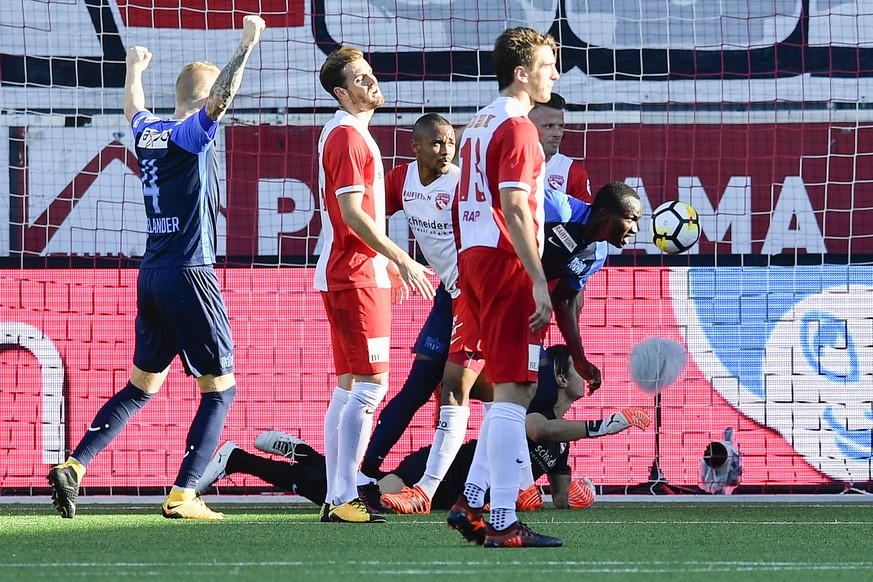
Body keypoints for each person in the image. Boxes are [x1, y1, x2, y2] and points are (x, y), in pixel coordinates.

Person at [45, 15, 267, 520]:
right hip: (191, 271)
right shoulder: (191, 136)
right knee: (221, 389)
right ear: (205, 97)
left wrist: (133, 69)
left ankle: (75, 466)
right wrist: (246, 46)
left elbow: (134, 109)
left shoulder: (150, 131)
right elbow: (222, 99)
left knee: (142, 385)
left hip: (153, 272)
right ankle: (185, 493)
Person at [381, 182, 643, 514]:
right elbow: (505, 207)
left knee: (507, 396)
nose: (635, 229)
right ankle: (443, 488)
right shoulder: (558, 208)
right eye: (631, 219)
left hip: (525, 313)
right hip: (485, 291)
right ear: (606, 214)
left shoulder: (597, 253)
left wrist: (580, 358)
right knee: (457, 385)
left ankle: (490, 491)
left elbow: (563, 300)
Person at [195, 346, 651, 509]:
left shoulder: (563, 440)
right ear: (559, 377)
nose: (588, 375)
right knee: (353, 499)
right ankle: (246, 458)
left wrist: (580, 495)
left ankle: (297, 454)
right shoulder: (534, 415)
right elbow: (540, 432)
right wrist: (608, 426)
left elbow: (554, 498)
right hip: (444, 468)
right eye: (579, 369)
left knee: (356, 492)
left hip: (448, 493)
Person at [447, 26, 563, 548]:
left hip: (475, 257)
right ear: (522, 72)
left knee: (500, 395)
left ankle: (471, 502)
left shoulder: (477, 123)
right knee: (515, 392)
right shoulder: (518, 128)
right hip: (505, 260)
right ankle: (501, 522)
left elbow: (460, 199)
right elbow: (516, 207)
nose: (554, 74)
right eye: (546, 65)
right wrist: (538, 279)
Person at [315, 46, 435, 524]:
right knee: (369, 387)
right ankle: (343, 494)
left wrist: (385, 266)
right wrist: (399, 258)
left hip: (357, 272)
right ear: (341, 92)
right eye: (360, 80)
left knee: (349, 388)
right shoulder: (347, 136)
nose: (371, 83)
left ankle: (337, 493)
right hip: (353, 274)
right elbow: (351, 214)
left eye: (370, 75)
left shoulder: (353, 132)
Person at [356, 113, 464, 510]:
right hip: (447, 296)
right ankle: (364, 473)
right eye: (437, 143)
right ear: (415, 147)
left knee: (481, 392)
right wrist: (389, 261)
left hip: (475, 298)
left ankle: (505, 482)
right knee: (417, 385)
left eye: (451, 142)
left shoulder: (461, 184)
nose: (446, 150)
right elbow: (368, 215)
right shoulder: (401, 180)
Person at [528, 93, 592, 202]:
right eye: (549, 126)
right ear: (527, 126)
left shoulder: (573, 171)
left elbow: (585, 217)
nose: (557, 134)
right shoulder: (504, 166)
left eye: (560, 126)